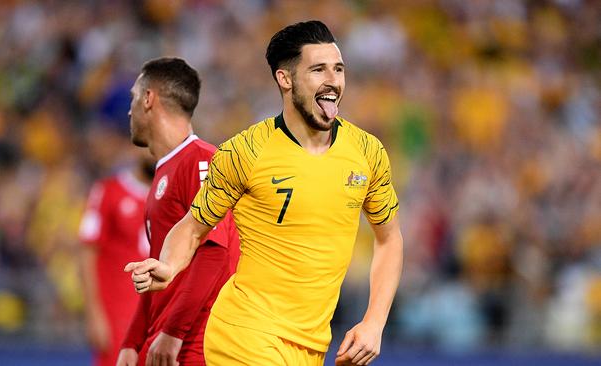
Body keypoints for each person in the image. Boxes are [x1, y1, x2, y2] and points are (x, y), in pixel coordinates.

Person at [126, 21, 403, 366]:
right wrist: (168, 265)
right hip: (244, 334)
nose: (333, 80)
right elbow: (194, 226)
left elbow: (389, 239)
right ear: (285, 80)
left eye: (338, 69)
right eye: (318, 70)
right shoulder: (245, 152)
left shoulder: (367, 152)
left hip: (310, 346)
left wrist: (374, 322)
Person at [117, 57, 239, 366]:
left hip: (195, 344)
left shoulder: (201, 160)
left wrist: (174, 332)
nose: (129, 110)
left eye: (133, 97)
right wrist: (132, 341)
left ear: (149, 99)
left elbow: (215, 252)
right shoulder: (166, 170)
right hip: (165, 341)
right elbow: (155, 269)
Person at [79, 150, 153, 366]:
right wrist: (94, 314)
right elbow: (87, 252)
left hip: (159, 318)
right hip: (118, 318)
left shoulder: (172, 193)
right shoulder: (108, 191)